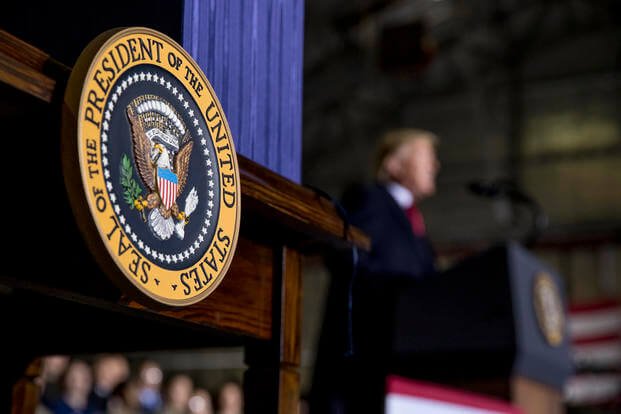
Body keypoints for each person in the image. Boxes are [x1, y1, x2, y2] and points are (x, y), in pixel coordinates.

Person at [310, 128, 440, 414]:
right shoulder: (371, 199)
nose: (435, 165)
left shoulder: (416, 225)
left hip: (403, 365)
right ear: (394, 164)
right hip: (361, 371)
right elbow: (346, 256)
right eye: (426, 156)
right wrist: (400, 292)